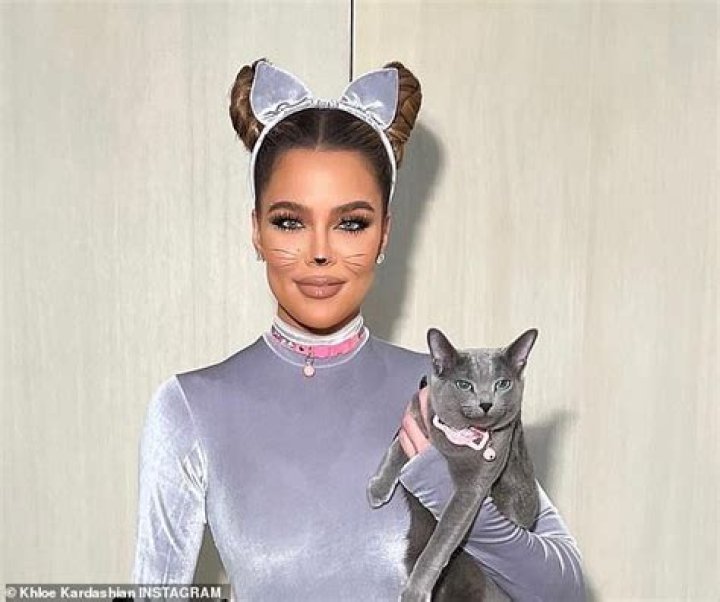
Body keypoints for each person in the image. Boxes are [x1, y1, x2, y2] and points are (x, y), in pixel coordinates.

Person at [131, 57, 586, 601]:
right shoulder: (190, 408)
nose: (320, 252)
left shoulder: (445, 393)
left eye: (351, 223)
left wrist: (455, 498)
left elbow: (562, 588)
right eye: (289, 221)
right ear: (256, 230)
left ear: (384, 233)